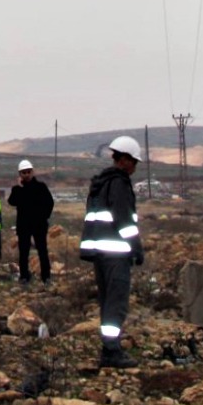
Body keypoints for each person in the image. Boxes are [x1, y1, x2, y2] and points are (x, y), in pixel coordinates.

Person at [80, 136, 143, 368]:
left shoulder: (100, 183)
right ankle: (111, 351)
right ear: (124, 160)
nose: (135, 167)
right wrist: (136, 247)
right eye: (134, 162)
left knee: (107, 301)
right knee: (116, 302)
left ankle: (109, 346)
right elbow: (124, 221)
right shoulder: (119, 183)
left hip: (100, 253)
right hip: (116, 254)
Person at [7, 160, 54, 285]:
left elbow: (49, 203)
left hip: (39, 225)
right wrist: (19, 188)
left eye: (28, 172)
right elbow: (12, 201)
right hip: (24, 226)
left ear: (32, 172)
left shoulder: (41, 187)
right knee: (24, 252)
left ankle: (46, 277)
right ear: (20, 174)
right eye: (24, 172)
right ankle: (24, 277)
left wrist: (44, 217)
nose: (26, 174)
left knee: (42, 251)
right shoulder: (17, 189)